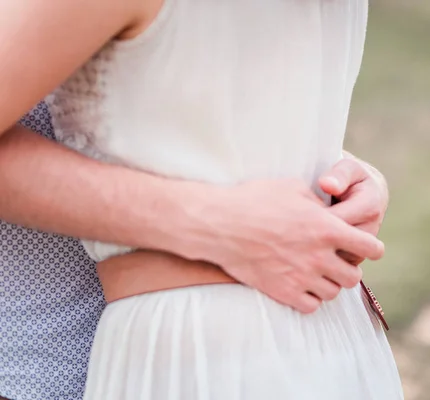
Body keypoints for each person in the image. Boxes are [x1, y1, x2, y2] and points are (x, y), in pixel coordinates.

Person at [0, 0, 403, 399]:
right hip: (86, 346)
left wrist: (340, 175)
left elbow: (221, 104)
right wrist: (218, 222)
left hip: (334, 338)